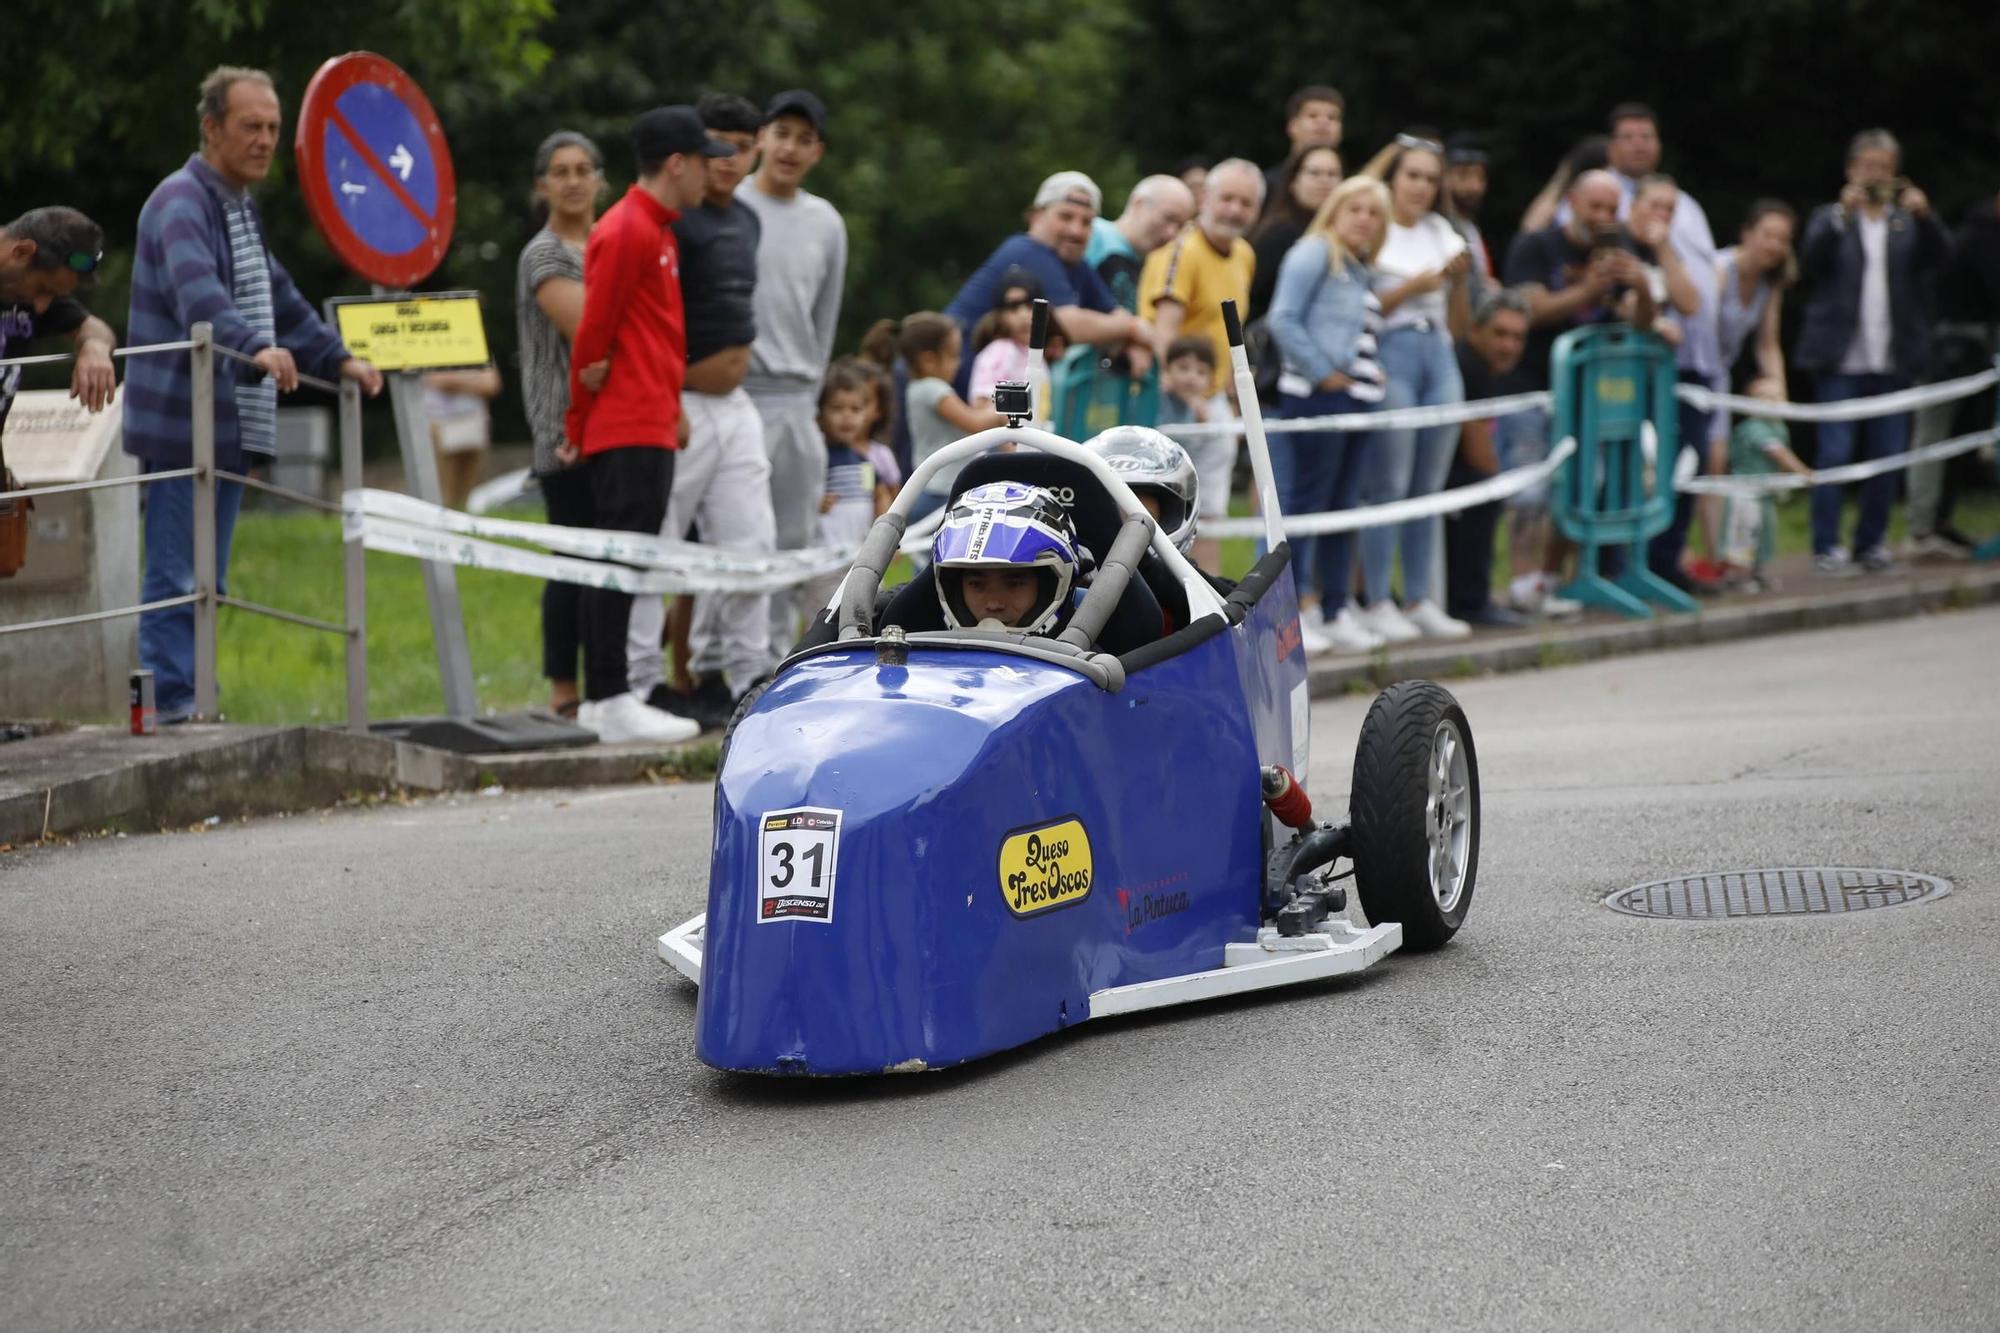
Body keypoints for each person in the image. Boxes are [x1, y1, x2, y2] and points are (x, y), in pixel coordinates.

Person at [124, 66, 383, 725]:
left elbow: (282, 301)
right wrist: (253, 347)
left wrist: (340, 358)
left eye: (272, 127)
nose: (266, 140)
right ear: (212, 129)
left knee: (208, 580)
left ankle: (191, 702)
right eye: (251, 126)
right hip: (185, 426)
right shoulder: (182, 201)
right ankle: (171, 711)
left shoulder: (238, 207)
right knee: (179, 577)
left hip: (226, 424)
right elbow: (198, 296)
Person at [563, 106, 734, 744]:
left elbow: (649, 338)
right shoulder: (629, 229)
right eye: (704, 159)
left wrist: (673, 408)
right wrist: (578, 424)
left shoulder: (657, 229)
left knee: (632, 558)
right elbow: (593, 338)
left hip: (650, 422)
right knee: (619, 558)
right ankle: (608, 695)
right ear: (677, 163)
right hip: (624, 427)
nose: (712, 172)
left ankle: (611, 694)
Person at [629, 92, 779, 733]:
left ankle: (749, 677)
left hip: (737, 403)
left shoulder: (748, 220)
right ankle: (642, 682)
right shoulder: (671, 222)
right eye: (713, 143)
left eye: (739, 145)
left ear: (755, 152)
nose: (724, 159)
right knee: (656, 545)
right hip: (677, 400)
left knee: (753, 540)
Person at [1794, 129, 1951, 576]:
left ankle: (1871, 542)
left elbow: (1942, 258)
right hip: (1839, 359)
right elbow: (1810, 263)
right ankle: (1826, 545)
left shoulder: (1905, 224)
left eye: (1884, 169)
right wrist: (1845, 212)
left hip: (1893, 358)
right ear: (1850, 170)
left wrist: (1926, 217)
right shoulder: (1830, 218)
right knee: (1835, 454)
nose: (1876, 176)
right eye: (1868, 167)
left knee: (1887, 456)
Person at [1500, 169, 1656, 616]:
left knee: (1588, 485)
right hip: (1533, 386)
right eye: (1596, 207)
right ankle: (1520, 582)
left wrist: (1641, 286)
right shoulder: (1537, 245)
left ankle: (1549, 579)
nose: (1605, 217)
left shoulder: (1621, 249)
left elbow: (1639, 322)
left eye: (1612, 209)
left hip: (1593, 397)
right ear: (1572, 201)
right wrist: (1588, 288)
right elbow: (1530, 309)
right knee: (1530, 489)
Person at [734, 89, 848, 657]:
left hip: (797, 395)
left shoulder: (825, 221)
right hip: (732, 392)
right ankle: (724, 665)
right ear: (760, 138)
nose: (789, 148)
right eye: (781, 134)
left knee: (794, 538)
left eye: (804, 140)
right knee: (732, 538)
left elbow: (824, 318)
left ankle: (777, 661)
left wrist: (811, 393)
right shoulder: (729, 207)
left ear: (817, 152)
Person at [1264, 174, 1393, 655]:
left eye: (1374, 212)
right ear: (1335, 210)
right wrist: (1324, 372)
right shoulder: (1314, 251)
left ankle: (1336, 607)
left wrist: (1369, 374)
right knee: (1310, 505)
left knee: (1343, 507)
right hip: (1318, 396)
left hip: (1356, 399)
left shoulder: (1360, 267)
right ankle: (1301, 608)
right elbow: (1283, 318)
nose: (1364, 219)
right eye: (1355, 208)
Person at [1355, 134, 1474, 643]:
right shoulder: (1373, 226)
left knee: (1429, 486)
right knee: (1390, 483)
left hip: (1439, 353)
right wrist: (1412, 287)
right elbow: (1357, 307)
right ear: (1394, 179)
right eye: (1412, 176)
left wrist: (1459, 284)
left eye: (1431, 178)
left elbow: (1461, 323)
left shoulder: (1441, 229)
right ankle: (1379, 597)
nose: (1422, 187)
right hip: (1392, 351)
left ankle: (1421, 597)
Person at [515, 129, 603, 721]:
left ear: (599, 178)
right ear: (543, 185)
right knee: (570, 562)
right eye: (560, 171)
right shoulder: (544, 253)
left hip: (614, 427)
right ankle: (562, 690)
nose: (572, 181)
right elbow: (589, 332)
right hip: (563, 431)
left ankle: (611, 682)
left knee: (608, 562)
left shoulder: (609, 241)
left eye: (582, 169)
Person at [944, 171, 1155, 396]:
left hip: (996, 405)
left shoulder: (1076, 265)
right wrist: (1134, 329)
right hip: (958, 400)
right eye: (1065, 217)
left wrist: (1131, 340)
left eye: (1086, 222)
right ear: (1036, 216)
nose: (1076, 231)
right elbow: (1066, 324)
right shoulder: (1029, 250)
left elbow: (1115, 316)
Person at [1699, 199, 1797, 580]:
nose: (1773, 245)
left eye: (1782, 239)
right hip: (1697, 374)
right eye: (1767, 235)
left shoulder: (1770, 284)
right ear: (1748, 234)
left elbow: (1767, 344)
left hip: (1719, 377)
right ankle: (1714, 557)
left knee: (1716, 463)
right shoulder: (1721, 269)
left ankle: (1722, 559)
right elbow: (1702, 329)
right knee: (1707, 462)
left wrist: (1781, 398)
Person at [1904, 188, 1999, 561]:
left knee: (1960, 441)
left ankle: (1939, 522)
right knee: (1934, 437)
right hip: (1946, 352)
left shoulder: (1978, 231)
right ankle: (1921, 527)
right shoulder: (1980, 237)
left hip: (1970, 351)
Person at [1444, 289, 1533, 628]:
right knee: (1484, 494)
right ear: (1475, 330)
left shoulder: (1480, 364)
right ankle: (1470, 601)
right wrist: (1498, 484)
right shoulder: (1471, 365)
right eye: (1499, 333)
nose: (1508, 346)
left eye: (1517, 337)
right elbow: (1479, 451)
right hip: (1439, 473)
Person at [861, 313, 1003, 521]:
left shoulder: (917, 388)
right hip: (943, 488)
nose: (959, 363)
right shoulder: (934, 390)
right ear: (928, 360)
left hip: (934, 484)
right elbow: (975, 423)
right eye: (953, 355)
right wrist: (1001, 410)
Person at [1140, 158, 1261, 389]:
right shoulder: (1181, 250)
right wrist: (1186, 398)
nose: (1235, 210)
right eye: (1227, 199)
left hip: (1214, 394)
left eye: (1246, 203)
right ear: (1204, 198)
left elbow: (1230, 333)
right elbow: (1163, 335)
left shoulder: (1245, 254)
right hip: (1174, 393)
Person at [0, 207, 117, 435]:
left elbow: (93, 327)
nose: (43, 307)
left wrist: (96, 348)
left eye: (54, 296)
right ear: (22, 252)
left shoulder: (22, 285)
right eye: (43, 289)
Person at [801, 357, 900, 614]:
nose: (847, 417)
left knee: (868, 613)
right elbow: (798, 501)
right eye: (837, 408)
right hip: (823, 562)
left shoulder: (863, 459)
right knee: (822, 621)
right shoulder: (816, 458)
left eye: (855, 410)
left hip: (861, 560)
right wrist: (813, 501)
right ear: (820, 412)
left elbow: (879, 495)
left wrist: (887, 537)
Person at [931, 482, 1083, 634]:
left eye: (1014, 584)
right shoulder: (915, 653)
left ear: (1049, 585)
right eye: (976, 584)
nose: (994, 603)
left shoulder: (1093, 657)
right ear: (953, 588)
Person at [1717, 383, 1816, 592]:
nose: (1771, 400)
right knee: (1742, 533)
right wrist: (1803, 472)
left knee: (1765, 533)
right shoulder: (1753, 428)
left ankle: (1758, 572)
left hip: (1765, 493)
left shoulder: (1779, 427)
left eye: (1776, 395)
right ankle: (1736, 575)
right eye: (1763, 395)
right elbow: (1778, 453)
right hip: (1745, 493)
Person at [1152, 335, 1237, 571]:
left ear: (1211, 380)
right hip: (1171, 483)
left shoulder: (1208, 410)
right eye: (1183, 368)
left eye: (1200, 372)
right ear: (1167, 370)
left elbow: (1211, 449)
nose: (1191, 377)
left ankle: (1211, 590)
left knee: (1205, 538)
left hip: (1207, 483)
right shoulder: (1160, 397)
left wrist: (1201, 418)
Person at [1248, 143, 1342, 318]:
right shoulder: (1280, 233)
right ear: (1293, 182)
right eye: (1314, 173)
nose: (1325, 181)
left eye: (1332, 174)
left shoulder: (1341, 238)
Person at [1085, 175, 1196, 313]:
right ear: (1138, 204)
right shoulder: (1093, 233)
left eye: (1180, 226)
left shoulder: (1159, 265)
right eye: (1168, 218)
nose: (1171, 233)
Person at [421, 365, 501, 509]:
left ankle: (460, 519)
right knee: (443, 487)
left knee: (468, 486)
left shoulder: (476, 348)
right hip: (438, 424)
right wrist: (472, 382)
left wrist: (455, 383)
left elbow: (491, 385)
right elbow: (437, 381)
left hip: (473, 424)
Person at [1262, 86, 1346, 213]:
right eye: (1313, 115)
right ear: (1292, 126)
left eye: (1332, 117)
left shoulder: (1350, 190)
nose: (1323, 122)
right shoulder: (1266, 185)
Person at [967, 267, 1041, 407]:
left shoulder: (1034, 353)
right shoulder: (1000, 350)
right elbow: (982, 403)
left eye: (1030, 305)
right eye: (1013, 307)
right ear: (1000, 316)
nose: (1023, 315)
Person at [1443, 135, 1495, 283]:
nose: (1474, 186)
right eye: (1462, 175)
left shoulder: (1472, 229)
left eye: (1480, 176)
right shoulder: (1441, 229)